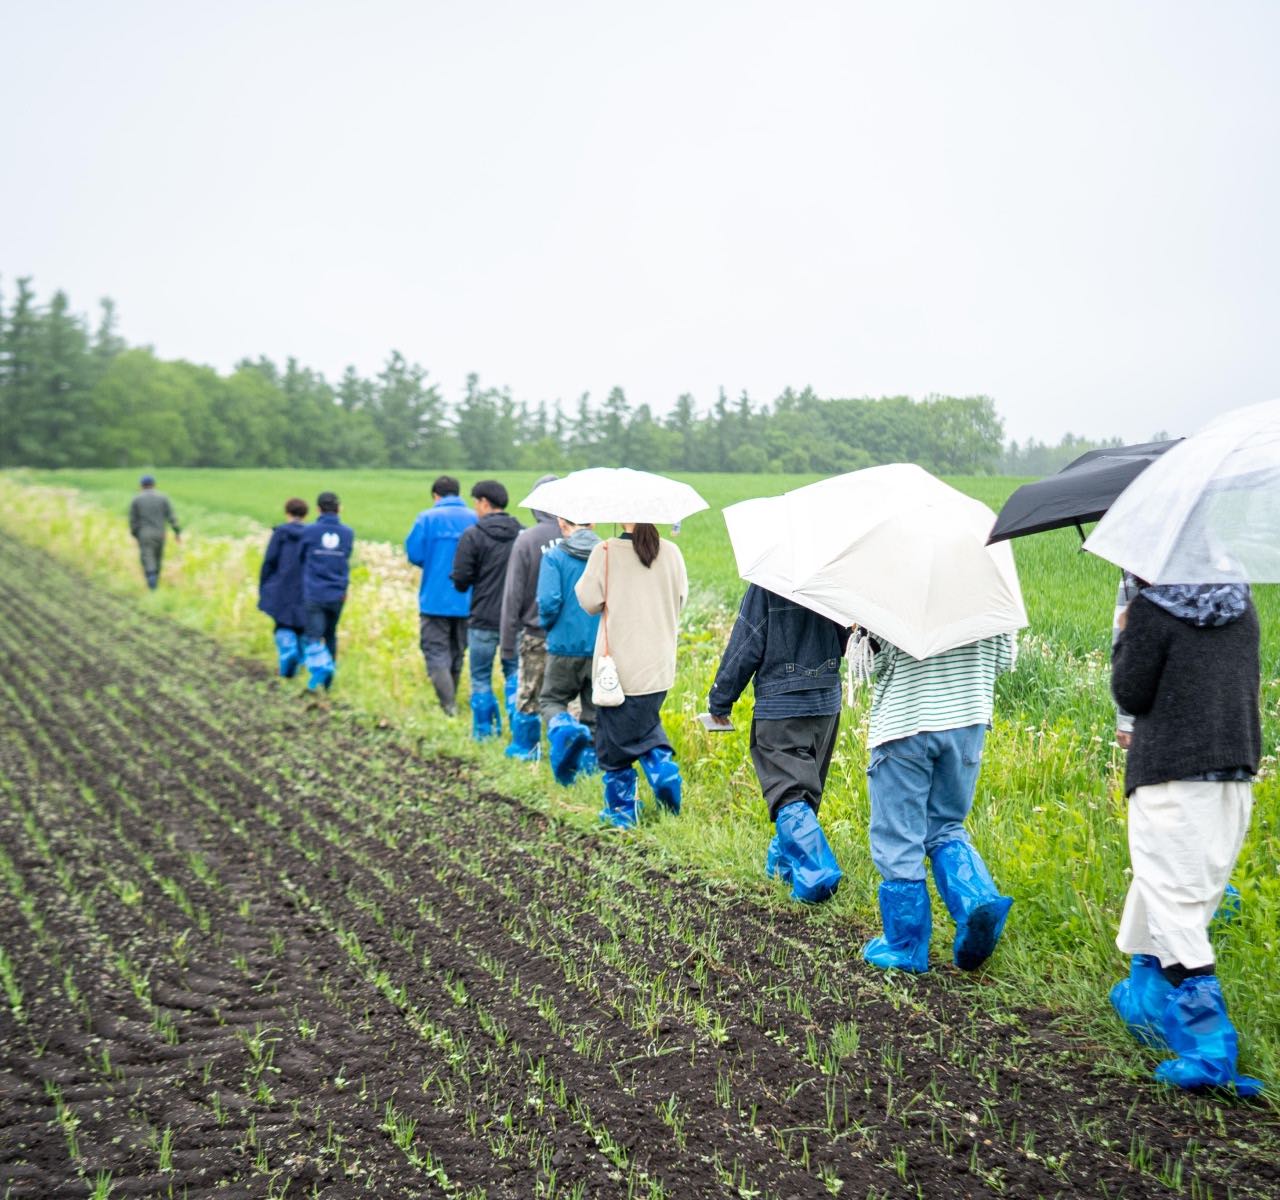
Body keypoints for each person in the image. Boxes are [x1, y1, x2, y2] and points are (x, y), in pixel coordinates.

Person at [1108, 581, 1262, 1095]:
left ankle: (1209, 1048)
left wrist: (1126, 633)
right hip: (1233, 774)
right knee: (1175, 890)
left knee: (1172, 905)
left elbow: (1130, 692)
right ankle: (1147, 1005)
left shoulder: (1151, 608)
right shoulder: (1240, 603)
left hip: (1171, 774)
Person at [858, 631, 1015, 974]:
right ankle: (976, 898)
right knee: (944, 826)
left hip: (907, 722)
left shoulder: (897, 584)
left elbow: (875, 664)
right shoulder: (991, 585)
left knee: (898, 836)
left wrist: (861, 634)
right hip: (968, 723)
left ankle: (905, 946)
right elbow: (1006, 659)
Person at [706, 586, 847, 903]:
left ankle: (817, 874)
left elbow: (746, 643)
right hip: (826, 702)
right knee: (806, 791)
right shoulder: (827, 573)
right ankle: (782, 870)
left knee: (788, 792)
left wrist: (720, 699)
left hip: (781, 705)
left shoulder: (768, 581)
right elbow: (845, 639)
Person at [575, 522, 687, 827]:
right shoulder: (673, 552)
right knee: (644, 725)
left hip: (618, 669)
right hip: (658, 667)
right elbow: (680, 600)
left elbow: (587, 601)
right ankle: (663, 771)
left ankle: (622, 812)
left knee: (613, 742)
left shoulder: (606, 551)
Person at [450, 480, 523, 739]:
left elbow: (460, 580)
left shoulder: (473, 535)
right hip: (515, 621)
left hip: (482, 619)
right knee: (515, 675)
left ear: (483, 502)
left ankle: (484, 733)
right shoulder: (522, 534)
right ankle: (519, 732)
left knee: (480, 677)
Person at [498, 475, 561, 759]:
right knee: (568, 699)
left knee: (528, 697)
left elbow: (512, 595)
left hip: (535, 634)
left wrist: (507, 642)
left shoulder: (527, 540)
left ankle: (527, 750)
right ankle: (569, 755)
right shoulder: (585, 540)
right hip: (574, 638)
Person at [537, 516, 602, 785]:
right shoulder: (607, 557)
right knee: (594, 713)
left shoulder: (554, 556)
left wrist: (549, 627)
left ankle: (564, 729)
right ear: (593, 523)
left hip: (563, 645)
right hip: (600, 647)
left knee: (551, 701)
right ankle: (588, 771)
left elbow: (548, 601)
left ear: (563, 524)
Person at [405, 476, 478, 715]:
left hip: (435, 598)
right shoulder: (475, 518)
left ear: (436, 495)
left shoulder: (427, 518)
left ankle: (449, 706)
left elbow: (414, 554)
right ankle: (451, 702)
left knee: (436, 651)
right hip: (467, 599)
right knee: (458, 651)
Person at [299, 491, 355, 692]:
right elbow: (346, 557)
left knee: (314, 635)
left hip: (314, 591)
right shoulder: (348, 533)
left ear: (318, 509)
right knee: (331, 634)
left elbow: (301, 557)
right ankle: (328, 682)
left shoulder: (309, 531)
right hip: (338, 592)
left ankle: (318, 676)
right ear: (339, 509)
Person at [258, 497, 309, 677]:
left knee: (282, 624)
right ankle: (301, 666)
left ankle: (288, 658)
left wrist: (264, 586)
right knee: (302, 626)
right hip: (305, 587)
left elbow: (269, 561)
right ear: (305, 514)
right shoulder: (312, 534)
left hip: (282, 585)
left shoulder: (280, 533)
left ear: (287, 512)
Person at [128, 474, 180, 589]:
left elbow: (133, 520)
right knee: (158, 557)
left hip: (144, 534)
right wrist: (177, 532)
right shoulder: (163, 498)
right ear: (154, 485)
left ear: (141, 486)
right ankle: (155, 580)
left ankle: (151, 583)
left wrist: (135, 534)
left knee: (147, 558)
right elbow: (172, 517)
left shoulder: (137, 499)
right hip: (160, 533)